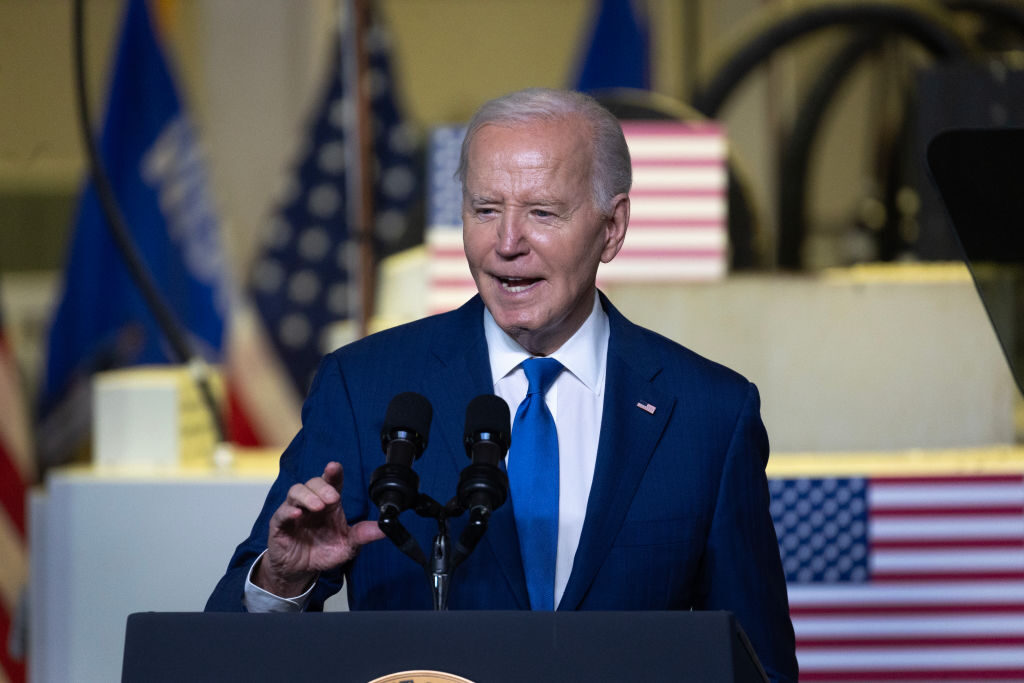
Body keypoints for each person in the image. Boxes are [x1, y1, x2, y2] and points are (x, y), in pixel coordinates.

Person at [207, 88, 798, 682]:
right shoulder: (364, 387)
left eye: (543, 212)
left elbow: (759, 667)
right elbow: (225, 643)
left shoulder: (709, 415)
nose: (507, 243)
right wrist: (284, 580)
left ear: (612, 228)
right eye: (485, 209)